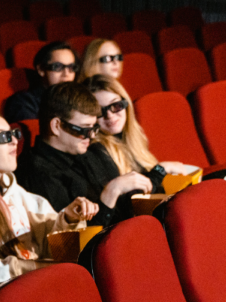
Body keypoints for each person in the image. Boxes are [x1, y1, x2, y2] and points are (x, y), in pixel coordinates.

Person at [0, 109, 97, 283]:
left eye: (13, 134)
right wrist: (24, 268)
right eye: (3, 137)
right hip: (7, 295)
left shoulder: (14, 190)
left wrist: (69, 219)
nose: (14, 141)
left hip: (39, 284)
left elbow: (61, 251)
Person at [16, 82, 154, 227]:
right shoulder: (36, 173)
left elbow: (127, 209)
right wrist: (110, 193)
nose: (92, 136)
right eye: (84, 130)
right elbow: (69, 243)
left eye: (94, 128)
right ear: (56, 126)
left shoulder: (91, 152)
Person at [82, 75, 192, 180]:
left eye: (115, 105)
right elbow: (133, 195)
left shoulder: (134, 135)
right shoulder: (96, 151)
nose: (110, 115)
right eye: (100, 111)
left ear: (126, 104)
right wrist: (161, 170)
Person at [3, 41, 77, 122]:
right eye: (58, 66)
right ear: (41, 69)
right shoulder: (24, 102)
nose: (66, 74)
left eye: (71, 67)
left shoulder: (76, 99)